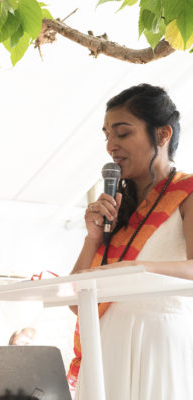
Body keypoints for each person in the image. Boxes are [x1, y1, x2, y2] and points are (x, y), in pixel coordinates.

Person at [67, 83, 193, 399]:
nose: (111, 145)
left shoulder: (187, 192)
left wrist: (137, 268)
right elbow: (75, 301)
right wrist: (92, 238)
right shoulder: (117, 205)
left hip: (157, 343)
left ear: (163, 135)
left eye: (122, 133)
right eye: (107, 136)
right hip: (105, 347)